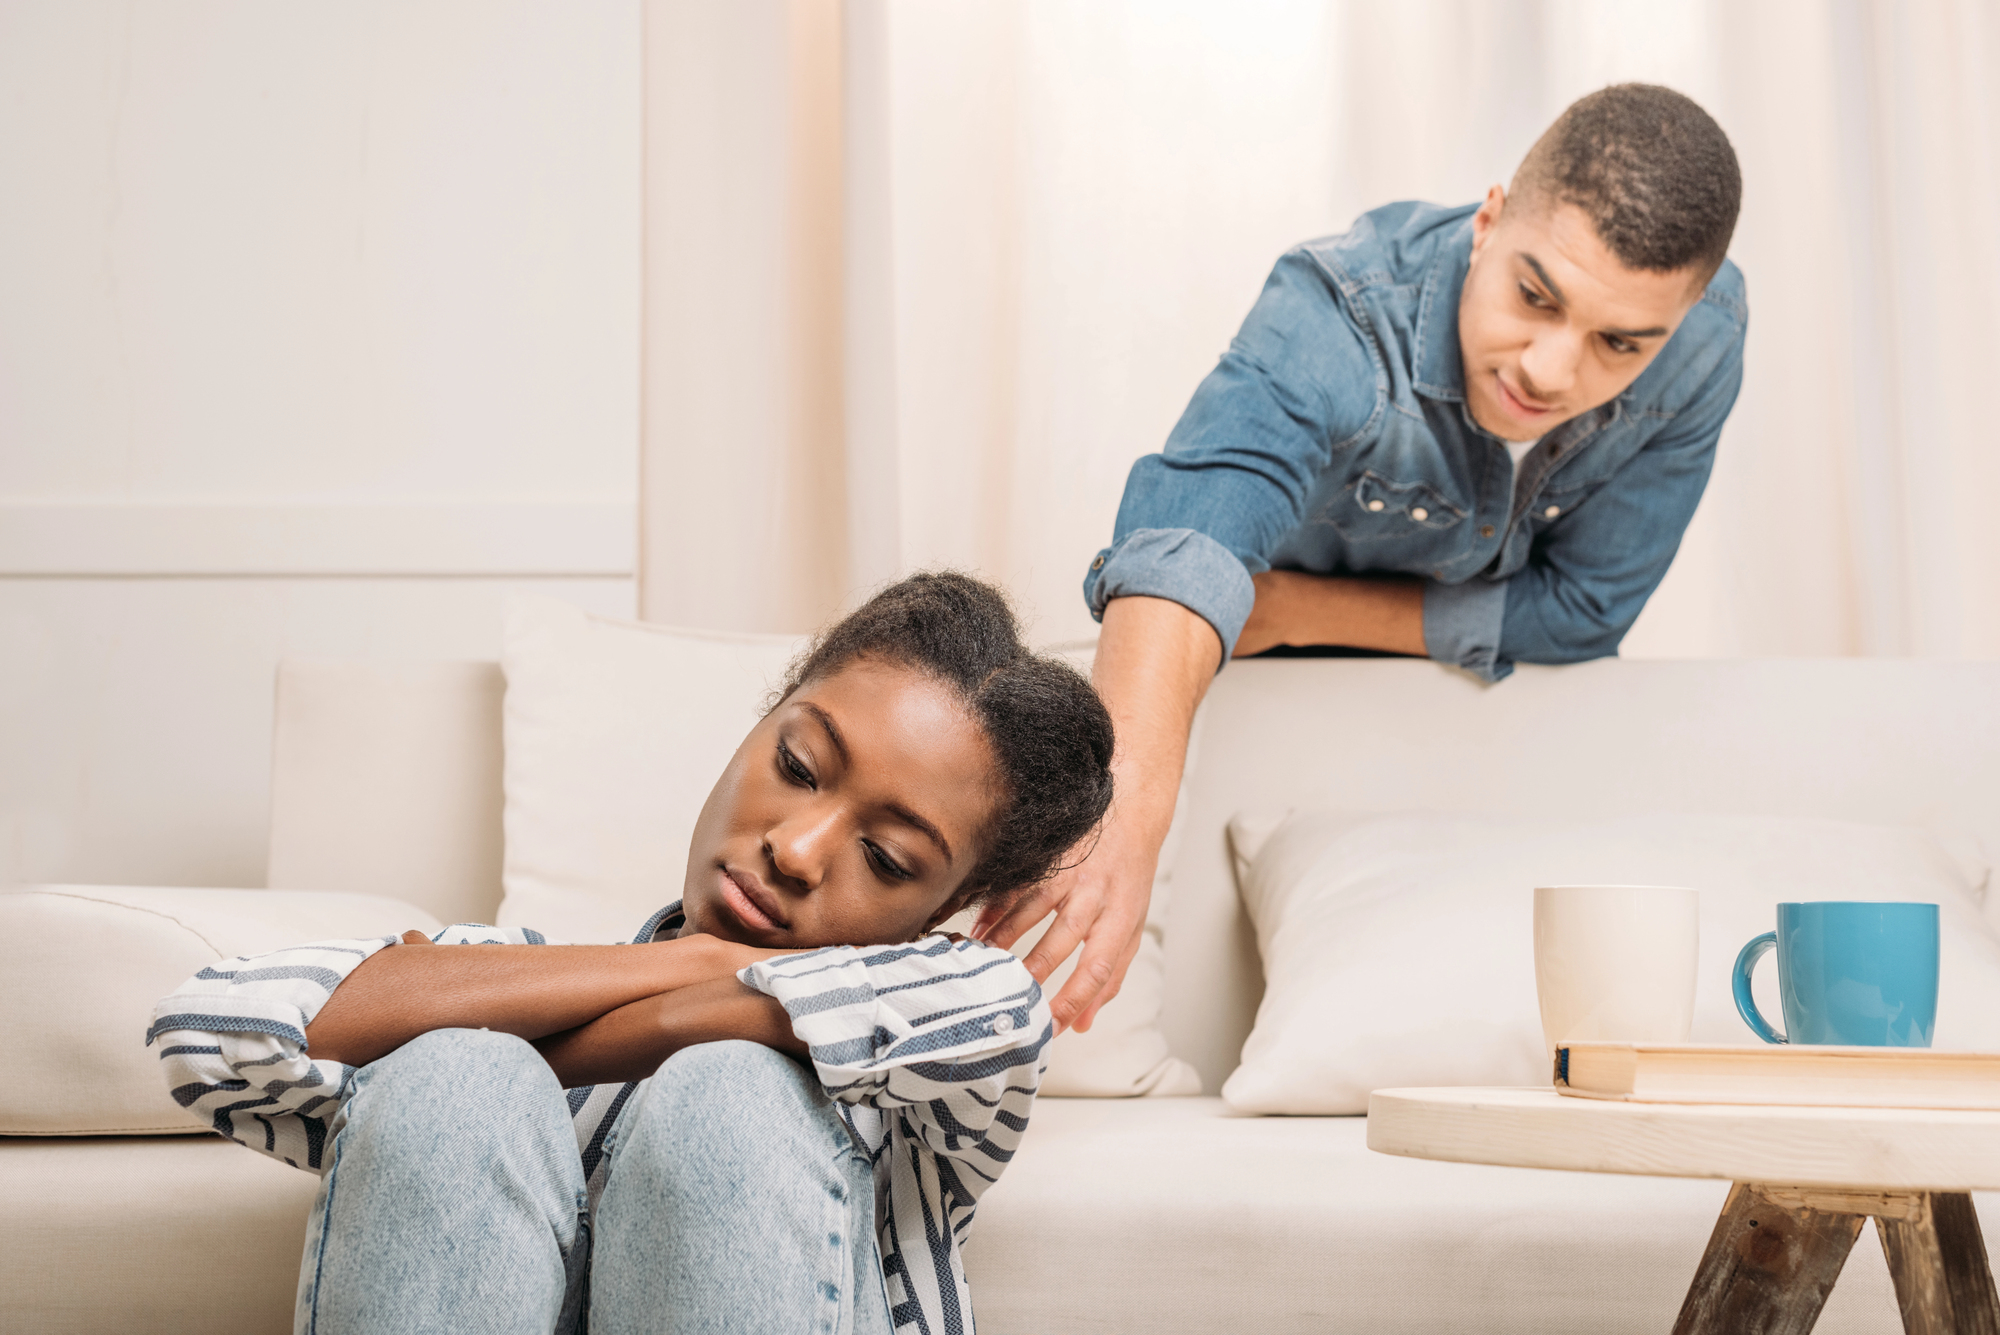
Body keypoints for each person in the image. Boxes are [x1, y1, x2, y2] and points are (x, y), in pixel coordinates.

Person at [148, 572, 1115, 1335]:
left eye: (886, 857)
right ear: (756, 726)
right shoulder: (522, 974)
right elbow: (203, 1028)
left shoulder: (935, 1045)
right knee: (456, 1075)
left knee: (727, 1092)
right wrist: (695, 965)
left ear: (948, 909)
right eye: (797, 766)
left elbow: (1000, 1002)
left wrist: (476, 1014)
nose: (797, 848)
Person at [976, 83, 1747, 1035]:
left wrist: (1298, 608)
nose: (1550, 371)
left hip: (1455, 755)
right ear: (1489, 220)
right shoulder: (1335, 315)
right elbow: (1186, 545)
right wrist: (1120, 809)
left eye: (1619, 343)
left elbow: (1583, 609)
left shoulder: (1704, 343)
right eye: (1533, 296)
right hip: (1250, 707)